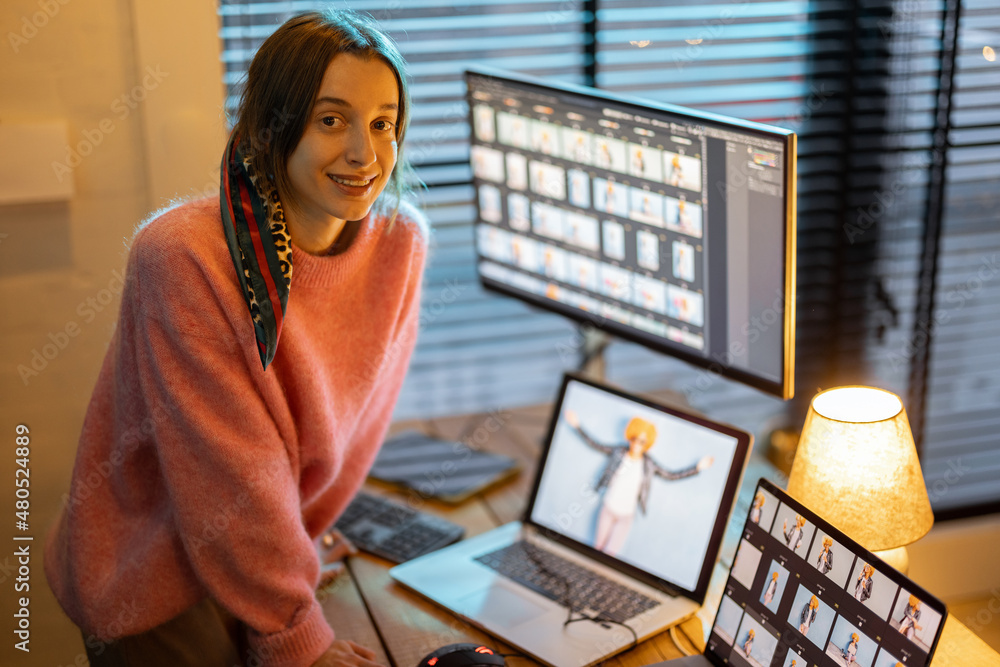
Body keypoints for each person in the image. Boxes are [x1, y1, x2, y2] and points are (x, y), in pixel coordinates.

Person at [44, 10, 428, 667]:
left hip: (258, 551)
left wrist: (296, 545)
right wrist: (295, 634)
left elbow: (353, 426)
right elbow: (230, 470)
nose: (366, 154)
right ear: (272, 126)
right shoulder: (182, 257)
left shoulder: (399, 244)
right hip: (151, 577)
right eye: (331, 119)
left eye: (382, 122)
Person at [564, 410, 714, 556]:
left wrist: (697, 468)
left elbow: (670, 475)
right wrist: (577, 425)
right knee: (597, 549)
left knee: (610, 554)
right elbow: (596, 445)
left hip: (626, 516)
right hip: (608, 508)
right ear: (629, 437)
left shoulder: (648, 464)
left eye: (642, 441)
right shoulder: (618, 452)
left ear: (647, 444)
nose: (637, 444)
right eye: (634, 438)